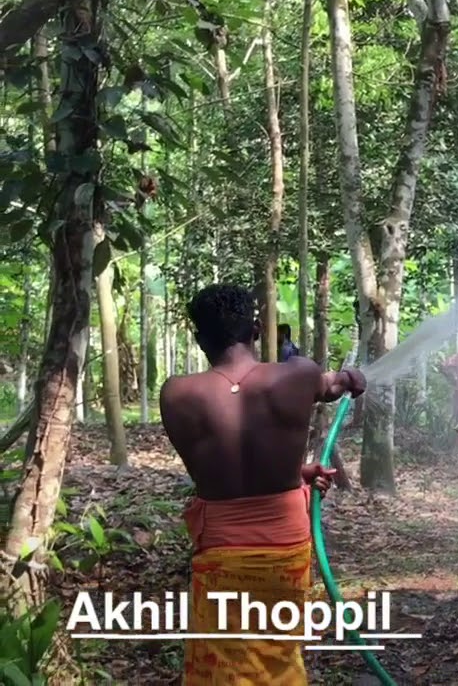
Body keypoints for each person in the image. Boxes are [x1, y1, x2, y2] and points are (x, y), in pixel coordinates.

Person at [158, 284, 366, 685]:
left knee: (224, 662)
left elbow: (224, 463)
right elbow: (336, 385)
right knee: (278, 653)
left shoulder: (176, 393)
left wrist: (294, 474)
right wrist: (350, 376)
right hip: (282, 549)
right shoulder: (299, 374)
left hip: (221, 550)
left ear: (199, 338)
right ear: (255, 330)